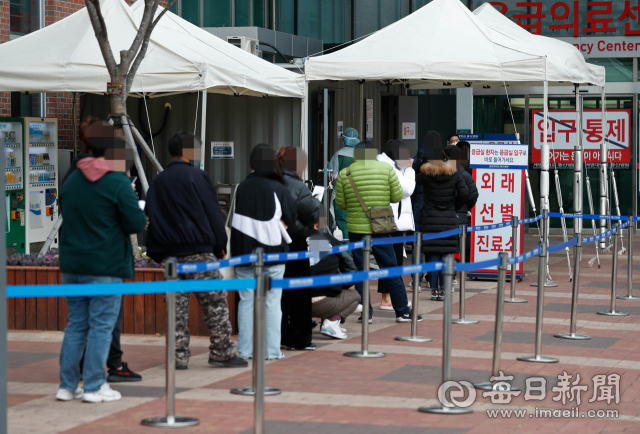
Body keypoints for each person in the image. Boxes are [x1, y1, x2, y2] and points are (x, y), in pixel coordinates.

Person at [57, 127, 147, 403]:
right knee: (100, 327)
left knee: (76, 326)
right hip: (105, 265)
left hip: (73, 265)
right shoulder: (117, 182)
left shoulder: (72, 180)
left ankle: (67, 385)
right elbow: (135, 223)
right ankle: (95, 386)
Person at [145, 131, 247, 370]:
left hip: (170, 256)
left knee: (176, 309)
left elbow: (150, 216)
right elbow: (213, 212)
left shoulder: (158, 181)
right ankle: (221, 352)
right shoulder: (197, 176)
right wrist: (220, 244)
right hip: (199, 252)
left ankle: (178, 357)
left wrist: (157, 251)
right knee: (215, 304)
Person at [335, 141, 421, 323]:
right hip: (381, 226)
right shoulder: (386, 169)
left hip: (356, 229)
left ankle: (366, 313)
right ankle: (402, 311)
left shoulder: (346, 173)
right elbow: (397, 196)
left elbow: (341, 203)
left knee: (360, 269)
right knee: (390, 267)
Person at [232, 144, 297, 360]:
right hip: (273, 253)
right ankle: (271, 351)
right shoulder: (279, 188)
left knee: (246, 301)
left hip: (244, 253)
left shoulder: (241, 187)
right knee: (272, 302)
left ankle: (245, 350)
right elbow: (291, 216)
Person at [277, 146, 320, 351]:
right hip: (295, 241)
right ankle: (300, 338)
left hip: (273, 244)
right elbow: (313, 212)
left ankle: (280, 334)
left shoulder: (271, 182)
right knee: (300, 293)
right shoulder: (298, 186)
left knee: (280, 293)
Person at [417, 133, 469, 300]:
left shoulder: (425, 174)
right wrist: (455, 206)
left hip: (429, 217)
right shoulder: (454, 173)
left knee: (432, 253)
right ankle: (445, 287)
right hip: (448, 217)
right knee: (447, 252)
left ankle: (434, 290)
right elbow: (465, 193)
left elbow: (414, 186)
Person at [376, 140, 415, 310]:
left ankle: (388, 297)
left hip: (386, 219)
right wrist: (409, 169)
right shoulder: (392, 169)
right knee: (392, 260)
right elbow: (407, 189)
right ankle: (387, 299)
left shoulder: (384, 165)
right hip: (393, 221)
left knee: (389, 260)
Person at [307, 219, 360, 340]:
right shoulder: (333, 241)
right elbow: (352, 273)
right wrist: (337, 287)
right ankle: (331, 322)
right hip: (325, 302)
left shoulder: (293, 241)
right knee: (355, 296)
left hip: (296, 302)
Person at [327, 128, 359, 239]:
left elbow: (333, 175)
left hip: (342, 193)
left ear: (344, 140)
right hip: (359, 194)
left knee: (342, 221)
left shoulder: (339, 154)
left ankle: (345, 251)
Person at [455, 141, 479, 263]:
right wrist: (467, 206)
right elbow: (473, 193)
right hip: (467, 208)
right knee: (466, 234)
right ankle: (467, 259)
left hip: (457, 209)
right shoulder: (472, 166)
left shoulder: (457, 170)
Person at [409, 147, 426, 291]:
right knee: (435, 246)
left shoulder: (413, 175)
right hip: (435, 213)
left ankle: (417, 281)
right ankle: (436, 283)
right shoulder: (439, 173)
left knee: (418, 247)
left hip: (418, 212)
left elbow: (411, 197)